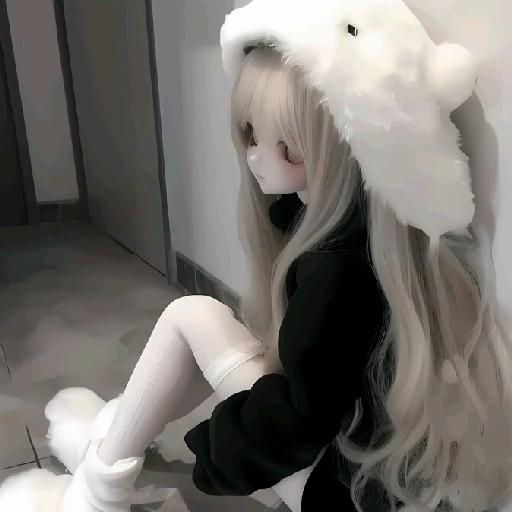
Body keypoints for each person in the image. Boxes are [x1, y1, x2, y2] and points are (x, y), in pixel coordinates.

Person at [1, 1, 512, 512]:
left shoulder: (339, 270)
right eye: (250, 134)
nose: (254, 158)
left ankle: (96, 491)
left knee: (189, 315)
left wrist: (212, 451)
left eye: (289, 149)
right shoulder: (378, 241)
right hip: (373, 471)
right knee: (195, 319)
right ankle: (115, 438)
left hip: (341, 491)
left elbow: (297, 419)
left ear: (343, 151)